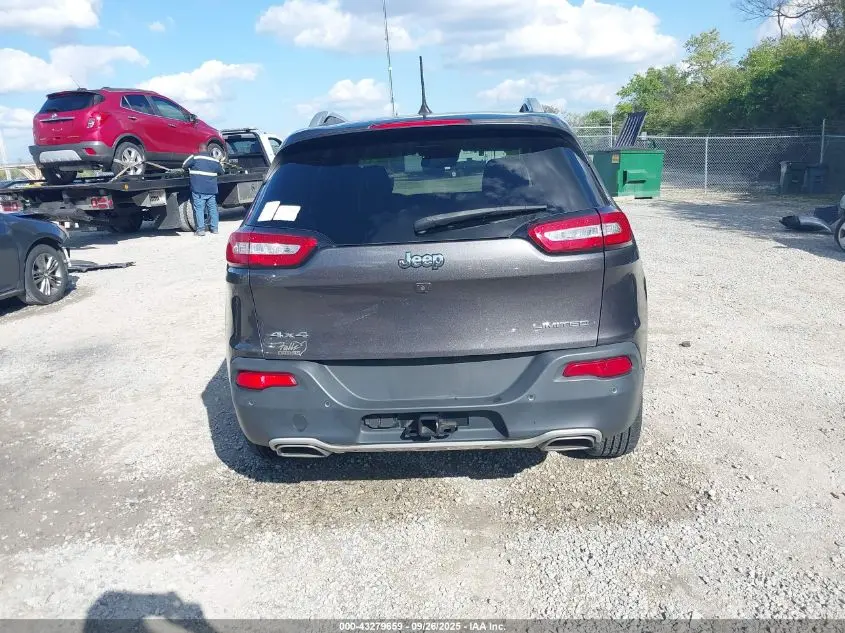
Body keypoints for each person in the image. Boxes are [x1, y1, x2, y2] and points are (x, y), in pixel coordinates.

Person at [182, 143, 224, 236]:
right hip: (211, 191)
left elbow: (184, 165)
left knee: (199, 209)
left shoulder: (195, 158)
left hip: (199, 190)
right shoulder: (214, 160)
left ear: (199, 149)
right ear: (207, 150)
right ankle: (215, 229)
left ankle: (200, 230)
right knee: (213, 209)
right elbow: (222, 172)